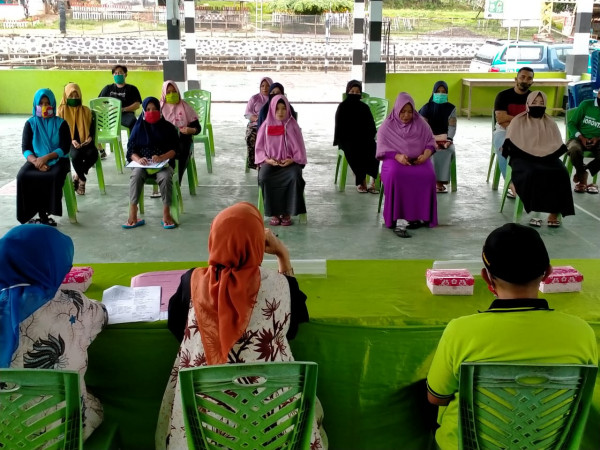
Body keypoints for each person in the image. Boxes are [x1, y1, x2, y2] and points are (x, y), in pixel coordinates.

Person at [155, 202, 328, 449]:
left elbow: (176, 328)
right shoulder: (282, 286)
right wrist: (282, 255)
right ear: (257, 242)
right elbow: (292, 329)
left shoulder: (191, 282)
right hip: (273, 424)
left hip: (203, 423)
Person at [426, 223, 597, 450]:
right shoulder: (581, 332)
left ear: (487, 278)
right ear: (548, 272)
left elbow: (436, 398)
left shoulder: (460, 331)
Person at [0, 224, 108, 440]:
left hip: (5, 437)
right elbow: (102, 316)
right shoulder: (73, 304)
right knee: (95, 403)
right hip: (63, 434)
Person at [503, 91, 574, 228]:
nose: (538, 106)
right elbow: (510, 146)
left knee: (561, 173)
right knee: (532, 172)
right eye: (534, 103)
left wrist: (543, 155)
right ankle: (534, 212)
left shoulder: (550, 122)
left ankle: (554, 212)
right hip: (522, 157)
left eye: (541, 103)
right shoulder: (518, 120)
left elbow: (556, 144)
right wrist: (531, 155)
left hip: (547, 156)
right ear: (528, 104)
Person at [376, 92, 437, 238]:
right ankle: (394, 218)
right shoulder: (387, 126)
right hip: (393, 160)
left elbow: (431, 142)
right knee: (395, 174)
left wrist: (426, 155)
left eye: (410, 112)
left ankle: (420, 216)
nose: (406, 115)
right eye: (402, 111)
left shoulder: (421, 123)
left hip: (418, 160)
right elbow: (382, 149)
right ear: (397, 110)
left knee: (428, 175)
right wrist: (397, 156)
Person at [17, 88, 72, 226]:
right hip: (35, 160)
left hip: (59, 159)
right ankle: (29, 214)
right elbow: (26, 148)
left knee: (53, 176)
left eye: (47, 103)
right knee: (22, 175)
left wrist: (46, 158)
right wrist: (37, 162)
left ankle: (45, 214)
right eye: (40, 103)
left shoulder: (61, 123)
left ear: (52, 105)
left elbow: (65, 147)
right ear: (35, 104)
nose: (44, 107)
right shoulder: (30, 123)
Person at [124, 97, 179, 230]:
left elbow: (175, 150)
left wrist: (162, 157)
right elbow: (131, 150)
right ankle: (133, 213)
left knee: (165, 178)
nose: (151, 112)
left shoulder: (168, 128)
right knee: (136, 176)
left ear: (160, 111)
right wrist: (138, 159)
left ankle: (166, 213)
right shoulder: (138, 128)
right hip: (143, 165)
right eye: (148, 109)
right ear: (143, 111)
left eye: (154, 109)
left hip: (163, 165)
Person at [255, 95, 307, 226]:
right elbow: (259, 148)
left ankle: (287, 212)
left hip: (290, 164)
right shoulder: (265, 126)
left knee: (295, 176)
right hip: (271, 163)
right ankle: (274, 213)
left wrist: (293, 160)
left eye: (284, 108)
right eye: (277, 109)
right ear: (272, 109)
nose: (280, 112)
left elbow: (300, 148)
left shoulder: (293, 126)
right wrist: (267, 160)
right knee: (265, 177)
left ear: (288, 109)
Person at [333, 80, 379, 193]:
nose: (354, 94)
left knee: (374, 147)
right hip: (346, 139)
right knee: (353, 149)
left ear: (361, 94)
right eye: (352, 91)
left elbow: (371, 126)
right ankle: (361, 180)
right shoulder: (342, 107)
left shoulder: (364, 107)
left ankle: (373, 181)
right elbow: (339, 127)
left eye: (357, 92)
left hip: (363, 138)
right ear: (347, 92)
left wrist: (367, 137)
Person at [492, 67, 534, 193]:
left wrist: (510, 118)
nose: (525, 80)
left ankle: (530, 181)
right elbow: (500, 119)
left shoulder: (533, 98)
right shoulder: (503, 95)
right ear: (516, 79)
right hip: (503, 131)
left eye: (529, 78)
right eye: (522, 77)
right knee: (504, 147)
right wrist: (522, 118)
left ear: (532, 82)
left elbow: (534, 120)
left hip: (526, 131)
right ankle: (511, 184)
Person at [57, 82, 97, 196]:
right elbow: (59, 131)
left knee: (93, 155)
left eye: (76, 96)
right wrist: (71, 140)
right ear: (65, 96)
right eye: (71, 96)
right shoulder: (61, 111)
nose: (74, 98)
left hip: (84, 141)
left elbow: (91, 127)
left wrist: (90, 137)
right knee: (75, 156)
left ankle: (77, 175)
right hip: (69, 142)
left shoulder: (85, 110)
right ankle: (82, 179)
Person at [419, 81, 457, 193]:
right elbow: (423, 128)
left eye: (444, 92)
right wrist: (432, 141)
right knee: (432, 151)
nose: (441, 94)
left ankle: (440, 182)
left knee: (448, 151)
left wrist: (449, 140)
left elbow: (452, 127)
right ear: (433, 92)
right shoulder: (426, 108)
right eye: (438, 91)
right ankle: (434, 182)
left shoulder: (451, 108)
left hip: (445, 140)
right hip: (427, 140)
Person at [160, 80, 201, 184]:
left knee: (181, 150)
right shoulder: (159, 108)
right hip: (164, 140)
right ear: (164, 93)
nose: (171, 94)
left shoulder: (185, 106)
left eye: (174, 91)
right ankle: (162, 181)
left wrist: (191, 130)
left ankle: (177, 181)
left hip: (182, 139)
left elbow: (197, 128)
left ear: (178, 92)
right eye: (168, 92)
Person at [566, 89, 600, 194]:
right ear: (599, 93)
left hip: (598, 141)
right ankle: (583, 178)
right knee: (574, 150)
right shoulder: (586, 105)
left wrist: (598, 139)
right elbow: (571, 123)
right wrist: (581, 137)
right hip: (578, 138)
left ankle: (583, 171)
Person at [98, 64, 142, 132]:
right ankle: (97, 141)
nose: (117, 75)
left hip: (125, 115)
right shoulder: (108, 88)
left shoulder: (132, 89)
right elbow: (99, 101)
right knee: (93, 119)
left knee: (134, 122)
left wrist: (123, 109)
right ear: (113, 75)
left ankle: (132, 142)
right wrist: (108, 108)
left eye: (120, 73)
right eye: (115, 73)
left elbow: (137, 104)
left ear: (125, 75)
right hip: (109, 115)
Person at [244, 76, 273, 170]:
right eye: (262, 86)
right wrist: (255, 118)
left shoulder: (274, 99)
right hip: (255, 125)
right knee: (250, 137)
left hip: (270, 126)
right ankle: (255, 164)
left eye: (268, 86)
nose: (265, 88)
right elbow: (247, 114)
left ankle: (270, 163)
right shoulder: (254, 98)